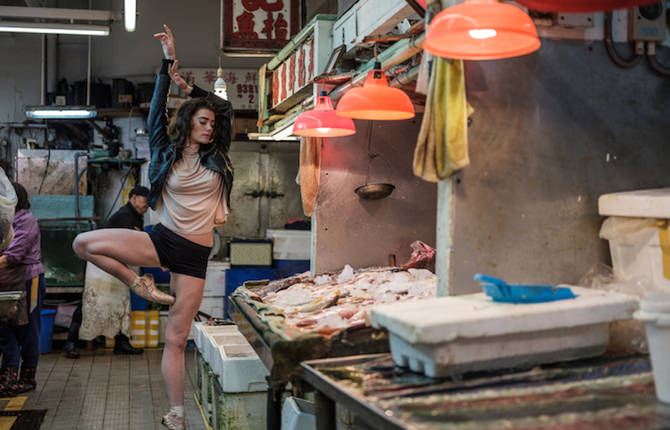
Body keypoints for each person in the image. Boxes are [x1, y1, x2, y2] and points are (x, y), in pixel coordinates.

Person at [72, 24, 233, 430]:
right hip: (161, 240)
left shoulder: (218, 155)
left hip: (196, 253)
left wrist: (188, 84)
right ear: (188, 123)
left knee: (176, 339)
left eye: (211, 122)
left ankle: (176, 415)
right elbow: (155, 110)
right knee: (83, 244)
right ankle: (137, 283)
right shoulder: (165, 150)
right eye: (202, 120)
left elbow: (226, 109)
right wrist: (166, 66)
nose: (209, 126)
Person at [63, 185, 150, 358]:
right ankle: (71, 343)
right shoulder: (125, 216)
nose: (147, 204)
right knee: (89, 303)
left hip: (116, 265)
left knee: (121, 303)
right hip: (101, 265)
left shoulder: (136, 217)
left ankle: (121, 342)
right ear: (133, 198)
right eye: (144, 200)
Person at [0, 182, 45, 396]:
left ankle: (27, 377)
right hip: (5, 280)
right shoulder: (5, 219)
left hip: (27, 280)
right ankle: (8, 376)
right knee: (5, 329)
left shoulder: (25, 220)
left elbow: (14, 255)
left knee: (28, 329)